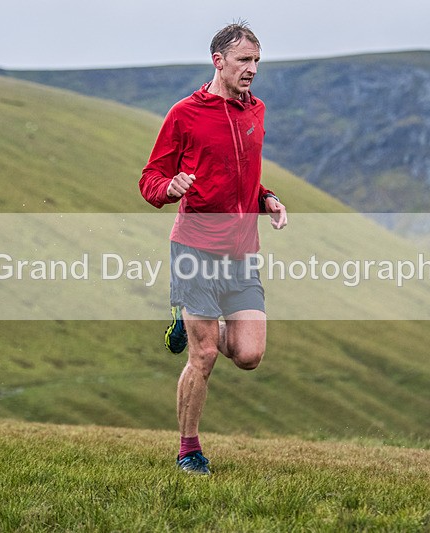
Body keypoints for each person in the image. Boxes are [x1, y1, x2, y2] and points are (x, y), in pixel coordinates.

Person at [139, 21, 287, 475]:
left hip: (242, 252)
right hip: (195, 248)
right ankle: (189, 450)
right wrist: (171, 187)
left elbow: (240, 174)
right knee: (202, 356)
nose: (252, 70)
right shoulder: (184, 113)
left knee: (248, 355)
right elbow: (150, 180)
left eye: (257, 61)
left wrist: (267, 198)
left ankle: (189, 321)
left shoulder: (256, 111)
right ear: (218, 61)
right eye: (244, 60)